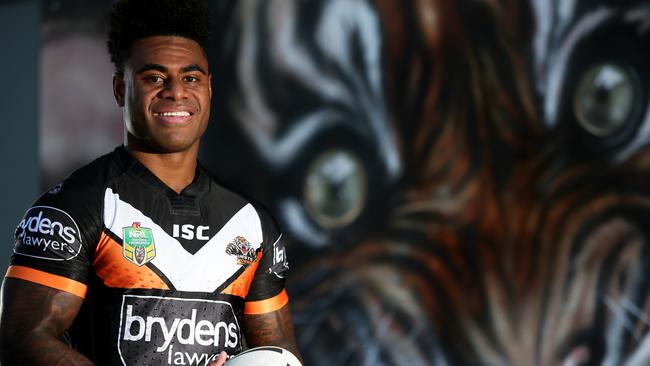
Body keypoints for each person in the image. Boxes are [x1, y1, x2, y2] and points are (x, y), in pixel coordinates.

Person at [0, 0, 302, 365]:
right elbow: (22, 340)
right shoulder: (74, 208)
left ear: (209, 89)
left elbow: (281, 355)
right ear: (119, 89)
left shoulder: (253, 224)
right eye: (154, 77)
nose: (176, 91)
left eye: (191, 78)